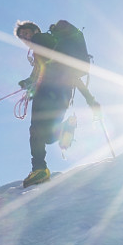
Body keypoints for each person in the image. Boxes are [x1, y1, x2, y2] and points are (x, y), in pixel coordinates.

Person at [15, 20, 100, 187]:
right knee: (45, 135)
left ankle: (39, 170)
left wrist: (30, 83)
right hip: (62, 94)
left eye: (26, 33)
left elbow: (49, 70)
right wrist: (90, 99)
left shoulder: (40, 40)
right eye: (22, 37)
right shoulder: (46, 44)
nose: (25, 38)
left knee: (36, 130)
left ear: (34, 30)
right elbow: (65, 71)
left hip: (50, 92)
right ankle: (67, 128)